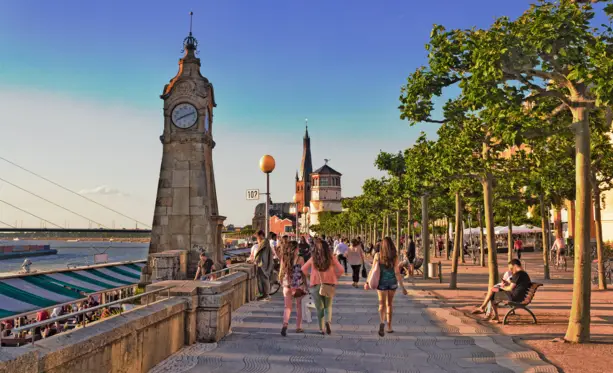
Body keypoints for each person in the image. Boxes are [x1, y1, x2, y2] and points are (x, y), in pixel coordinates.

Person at [367, 237, 407, 336]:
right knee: (389, 304)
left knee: (381, 304)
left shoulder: (378, 255)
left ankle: (382, 322)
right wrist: (403, 287)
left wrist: (367, 282)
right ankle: (389, 327)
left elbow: (372, 270)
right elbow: (397, 272)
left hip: (381, 283)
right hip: (392, 283)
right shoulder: (395, 256)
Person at [301, 238, 343, 335]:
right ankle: (328, 322)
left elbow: (303, 269)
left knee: (319, 308)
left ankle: (321, 329)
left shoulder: (313, 258)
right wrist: (334, 277)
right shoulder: (331, 257)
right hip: (329, 284)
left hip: (315, 285)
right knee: (328, 306)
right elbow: (341, 269)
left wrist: (309, 276)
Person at [485, 259, 531, 323]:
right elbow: (516, 285)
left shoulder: (518, 274)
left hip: (515, 298)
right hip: (520, 296)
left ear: (515, 266)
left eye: (511, 268)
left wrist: (503, 287)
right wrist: (506, 284)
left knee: (493, 292)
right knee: (494, 290)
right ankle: (492, 314)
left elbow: (510, 288)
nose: (510, 270)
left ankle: (495, 316)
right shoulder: (524, 274)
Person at [279, 240, 306, 336]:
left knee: (287, 307)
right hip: (298, 286)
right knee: (299, 307)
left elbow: (281, 271)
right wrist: (305, 285)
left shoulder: (284, 258)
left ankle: (285, 324)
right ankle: (298, 327)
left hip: (286, 285)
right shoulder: (300, 259)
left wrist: (281, 281)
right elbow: (303, 273)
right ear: (296, 249)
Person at [255, 230, 275, 301]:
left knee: (264, 279)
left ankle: (266, 295)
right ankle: (264, 294)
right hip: (263, 263)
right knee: (262, 279)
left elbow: (259, 254)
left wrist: (255, 261)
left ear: (260, 235)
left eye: (257, 237)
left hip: (263, 264)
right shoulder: (265, 242)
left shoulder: (264, 242)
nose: (257, 238)